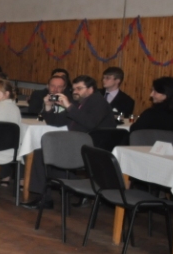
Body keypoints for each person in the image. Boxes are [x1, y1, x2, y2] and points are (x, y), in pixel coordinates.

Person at [23, 75, 116, 210]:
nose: (75, 91)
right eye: (74, 89)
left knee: (43, 155)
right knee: (42, 153)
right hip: (77, 144)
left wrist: (69, 106)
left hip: (93, 149)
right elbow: (56, 122)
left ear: (91, 89)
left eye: (79, 88)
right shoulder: (79, 102)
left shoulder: (98, 102)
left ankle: (77, 189)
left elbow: (90, 123)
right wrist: (48, 107)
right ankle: (50, 196)